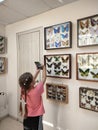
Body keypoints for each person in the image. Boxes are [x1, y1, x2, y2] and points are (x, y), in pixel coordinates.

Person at [19, 64, 46, 130]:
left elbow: (29, 82)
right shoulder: (37, 90)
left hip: (27, 117)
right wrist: (44, 68)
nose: (34, 79)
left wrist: (37, 71)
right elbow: (44, 78)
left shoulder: (23, 90)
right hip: (36, 117)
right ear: (31, 83)